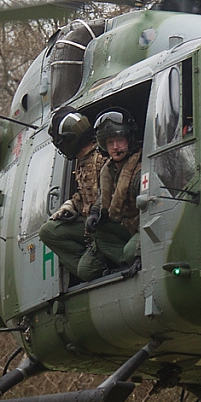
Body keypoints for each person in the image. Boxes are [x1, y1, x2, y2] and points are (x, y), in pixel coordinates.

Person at [39, 108, 107, 281]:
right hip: (89, 224)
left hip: (105, 224)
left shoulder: (101, 157)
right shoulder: (81, 160)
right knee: (48, 231)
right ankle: (92, 259)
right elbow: (85, 193)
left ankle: (101, 264)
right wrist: (71, 205)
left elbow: (109, 193)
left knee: (85, 271)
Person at [78, 109, 142, 280]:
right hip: (125, 226)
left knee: (130, 252)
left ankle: (132, 257)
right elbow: (106, 198)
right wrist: (94, 213)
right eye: (110, 142)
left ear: (128, 139)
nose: (115, 147)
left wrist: (140, 249)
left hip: (144, 227)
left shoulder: (140, 168)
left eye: (119, 141)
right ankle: (121, 262)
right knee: (86, 267)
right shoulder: (109, 170)